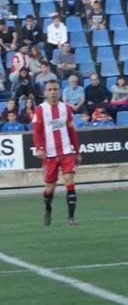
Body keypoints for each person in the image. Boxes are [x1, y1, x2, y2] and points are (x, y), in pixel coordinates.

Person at [32, 80, 81, 226]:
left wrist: (77, 150)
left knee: (69, 181)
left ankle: (71, 218)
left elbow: (71, 131)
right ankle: (47, 206)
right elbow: (37, 131)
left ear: (59, 91)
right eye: (50, 89)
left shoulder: (66, 108)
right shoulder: (40, 109)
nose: (53, 92)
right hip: (50, 154)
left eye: (55, 89)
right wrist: (39, 148)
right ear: (45, 92)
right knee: (50, 188)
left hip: (66, 152)